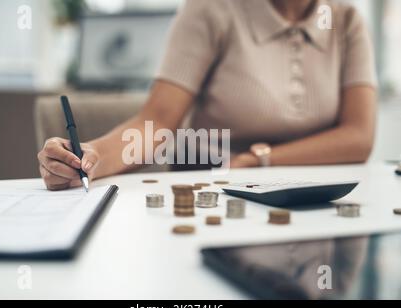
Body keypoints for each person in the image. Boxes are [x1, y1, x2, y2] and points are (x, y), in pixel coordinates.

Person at [38, 0, 377, 190]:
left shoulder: (346, 20)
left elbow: (358, 137)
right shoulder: (210, 9)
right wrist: (93, 154)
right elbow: (156, 124)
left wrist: (261, 158)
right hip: (217, 188)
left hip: (320, 194)